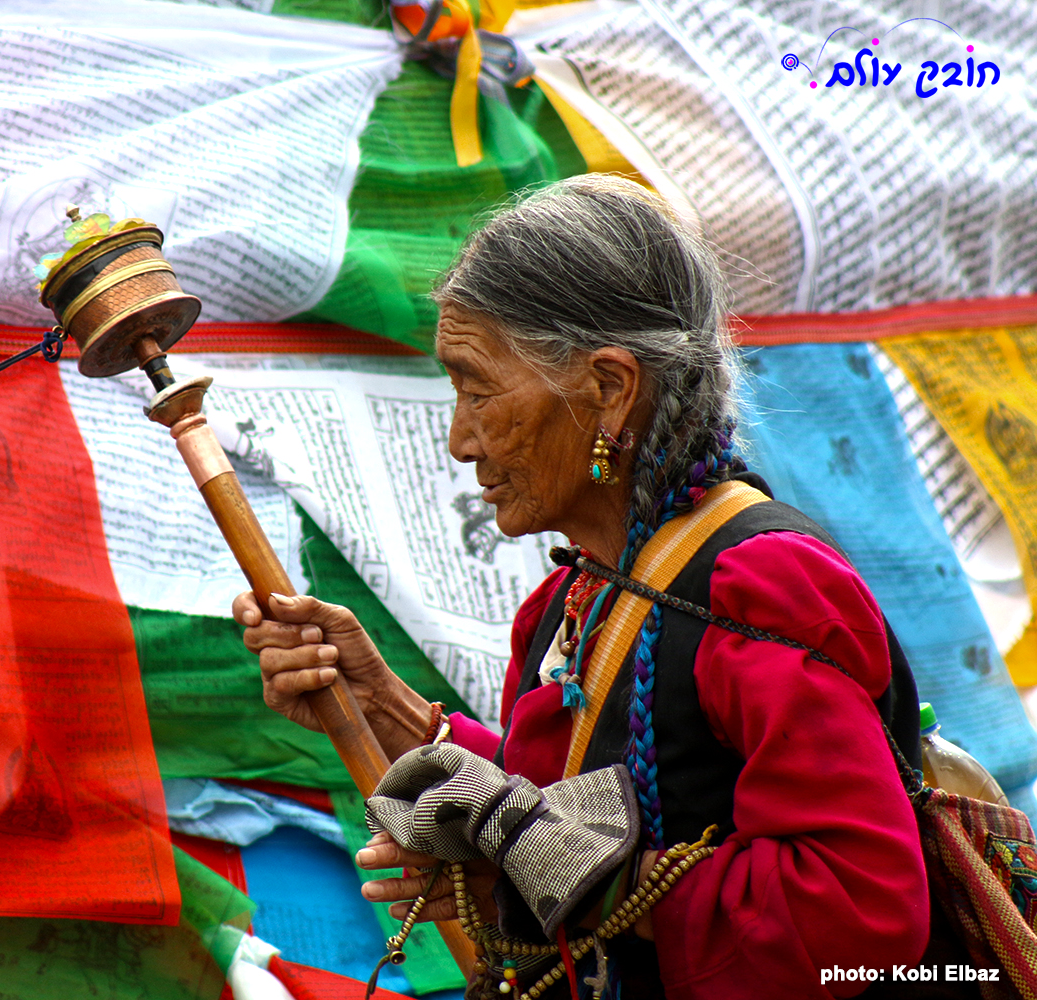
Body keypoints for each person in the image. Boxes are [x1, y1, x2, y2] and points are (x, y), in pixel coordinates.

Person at [233, 175, 931, 999]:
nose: (460, 441)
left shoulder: (759, 583)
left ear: (609, 389)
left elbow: (859, 907)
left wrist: (551, 877)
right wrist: (377, 699)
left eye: (477, 386)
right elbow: (565, 810)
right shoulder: (575, 602)